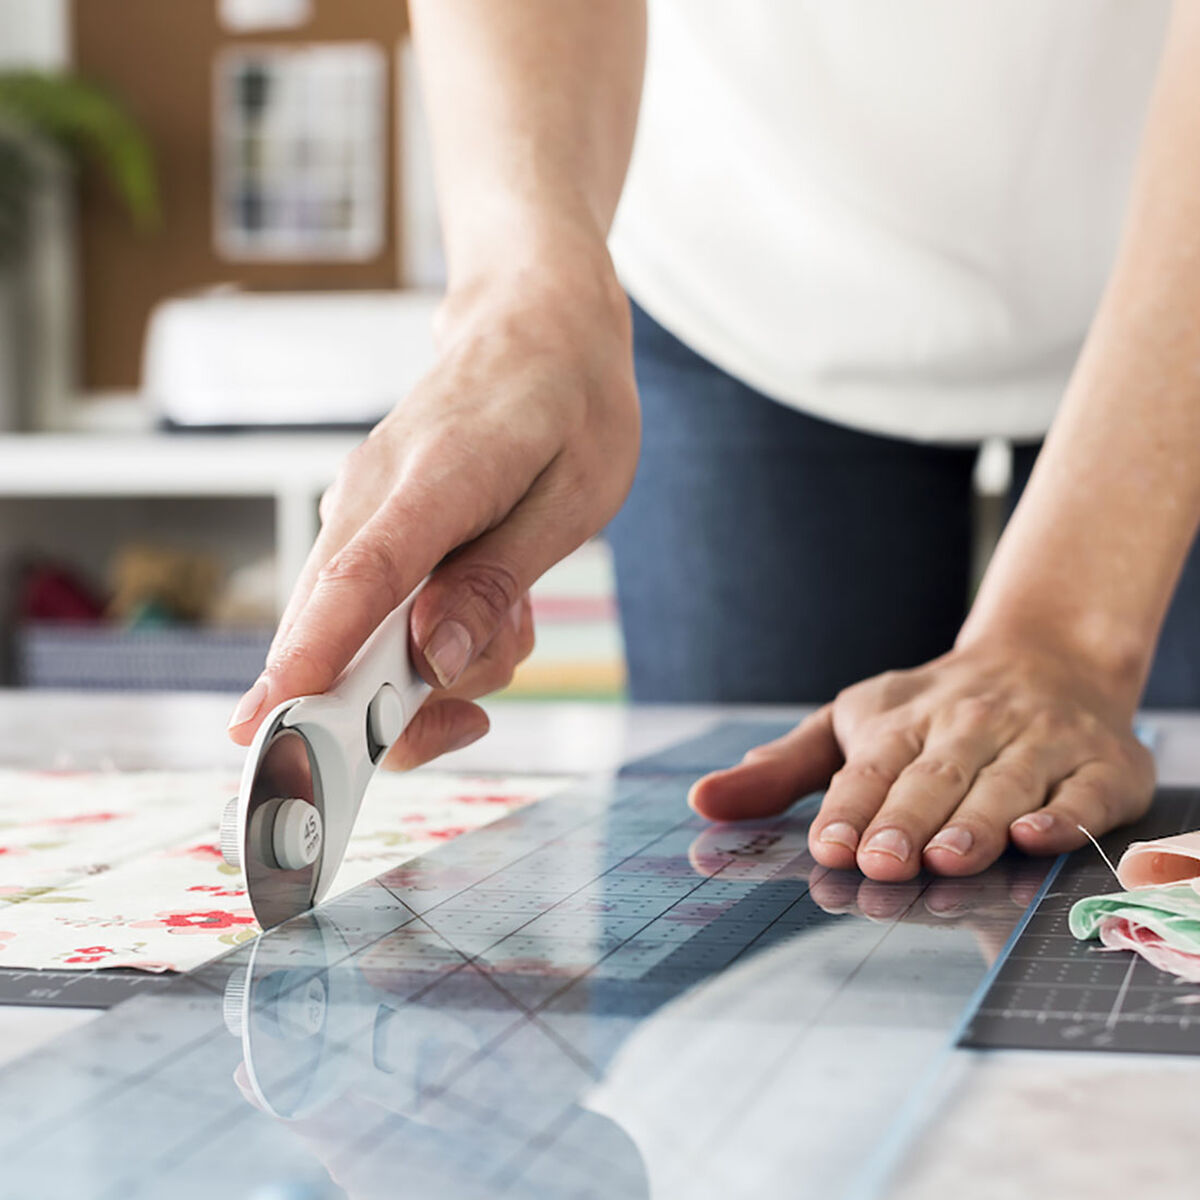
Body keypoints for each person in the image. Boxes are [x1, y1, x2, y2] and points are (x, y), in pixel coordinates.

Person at [229, 1, 1200, 885]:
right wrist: (522, 293)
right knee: (742, 892)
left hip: (1172, 283)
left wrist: (1069, 636)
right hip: (736, 266)